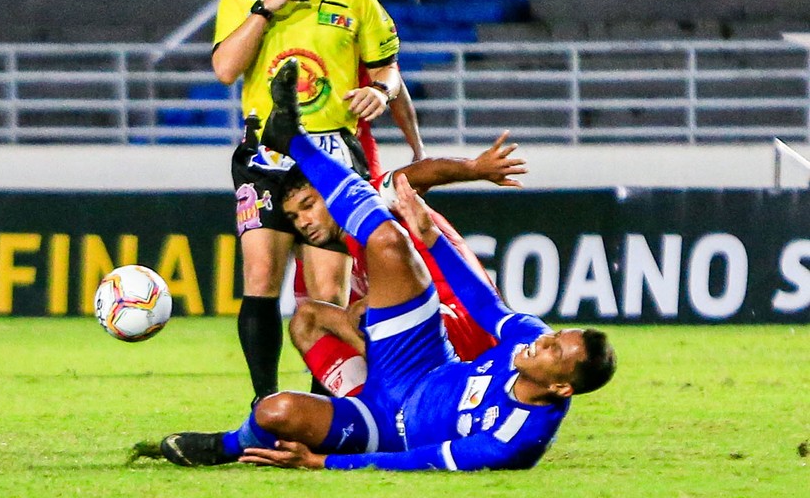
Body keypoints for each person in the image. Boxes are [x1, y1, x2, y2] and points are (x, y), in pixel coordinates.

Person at [137, 60, 617, 471]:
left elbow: (423, 461)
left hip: (385, 427)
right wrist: (431, 238)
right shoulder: (528, 339)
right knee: (387, 241)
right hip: (425, 359)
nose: (543, 340)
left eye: (554, 349)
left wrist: (324, 463)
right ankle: (293, 140)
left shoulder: (519, 438)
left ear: (560, 386)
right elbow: (486, 304)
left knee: (275, 410)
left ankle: (229, 445)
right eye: (555, 336)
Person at [212, 0, 417, 403]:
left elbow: (389, 68)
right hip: (265, 153)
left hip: (333, 157)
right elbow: (224, 70)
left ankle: (320, 405)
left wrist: (380, 90)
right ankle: (264, 403)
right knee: (260, 275)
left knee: (328, 292)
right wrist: (267, 9)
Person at [286, 131, 527, 397]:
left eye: (308, 205)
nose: (303, 222)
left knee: (358, 316)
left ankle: (378, 408)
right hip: (447, 335)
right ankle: (369, 414)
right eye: (294, 217)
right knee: (309, 318)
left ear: (331, 194)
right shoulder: (356, 247)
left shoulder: (370, 200)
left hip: (458, 324)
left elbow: (419, 173)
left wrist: (474, 168)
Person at [320, 0, 425, 177]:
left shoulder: (357, 26)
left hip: (352, 142)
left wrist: (418, 148)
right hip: (298, 145)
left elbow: (394, 85)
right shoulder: (287, 24)